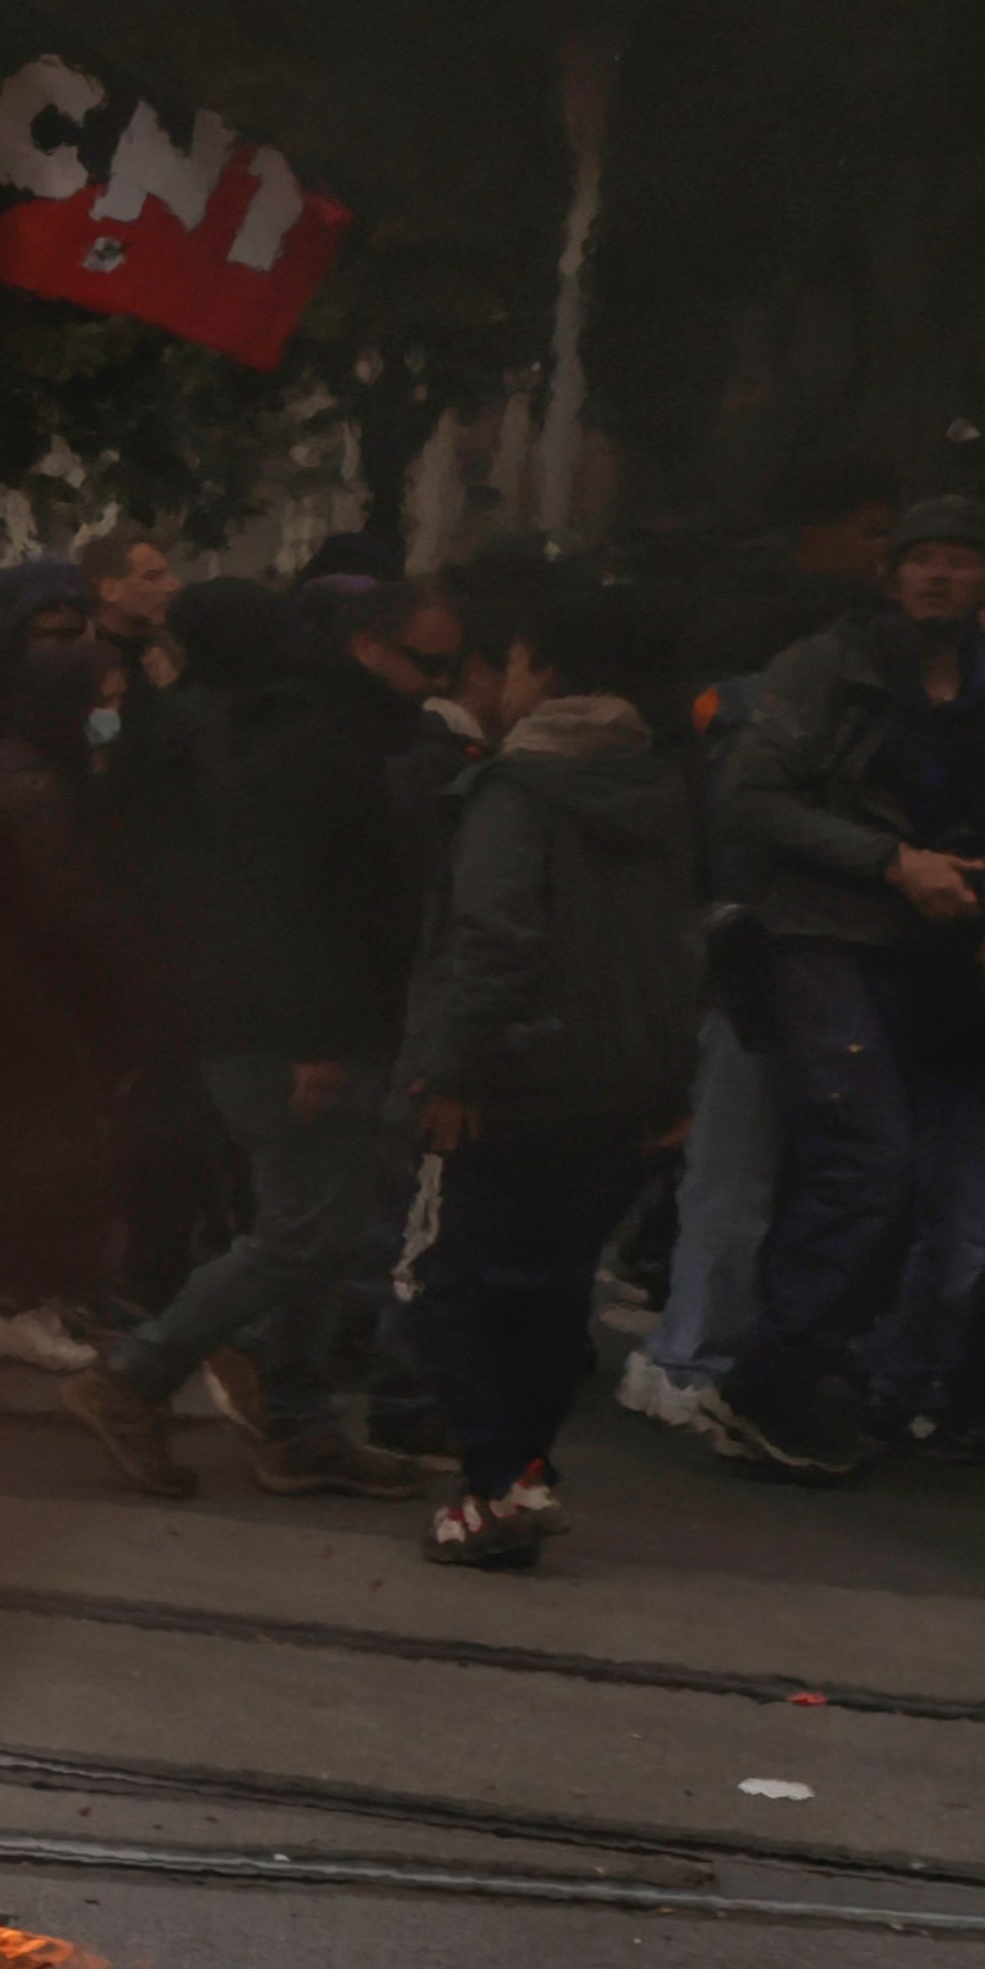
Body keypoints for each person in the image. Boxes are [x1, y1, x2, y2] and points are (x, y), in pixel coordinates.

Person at [703, 493, 985, 1479]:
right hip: (816, 938)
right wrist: (889, 861)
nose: (939, 576)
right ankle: (768, 1379)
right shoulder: (827, 667)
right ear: (891, 574)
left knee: (894, 1186)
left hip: (933, 957)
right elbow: (751, 799)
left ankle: (810, 1371)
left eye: (960, 559)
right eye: (922, 559)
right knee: (870, 1162)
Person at [62, 582, 443, 1499]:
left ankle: (299, 1423)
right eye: (418, 661)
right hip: (291, 1024)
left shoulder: (255, 724)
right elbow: (292, 898)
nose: (429, 683)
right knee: (303, 1230)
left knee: (323, 1226)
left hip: (283, 1015)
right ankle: (135, 1374)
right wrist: (310, 1035)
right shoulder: (292, 737)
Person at [393, 596, 699, 1568]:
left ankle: (494, 1480)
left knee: (441, 1277)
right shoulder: (657, 793)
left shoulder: (513, 794)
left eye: (514, 661)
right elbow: (677, 946)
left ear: (544, 675)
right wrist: (668, 1081)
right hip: (618, 1079)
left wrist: (447, 1066)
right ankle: (521, 1467)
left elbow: (491, 939)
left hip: (508, 1071)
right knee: (550, 1286)